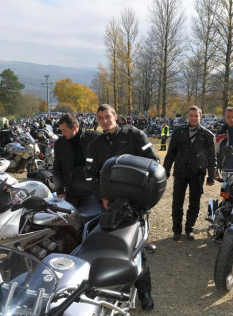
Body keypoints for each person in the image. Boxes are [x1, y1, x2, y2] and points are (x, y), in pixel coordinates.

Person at [86, 104, 158, 311]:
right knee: (111, 244)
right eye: (100, 118)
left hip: (135, 201)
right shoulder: (95, 143)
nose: (104, 121)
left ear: (116, 116)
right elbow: (90, 173)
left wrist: (141, 194)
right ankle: (114, 288)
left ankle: (144, 291)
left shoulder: (135, 135)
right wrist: (102, 197)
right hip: (109, 202)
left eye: (107, 116)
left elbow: (153, 163)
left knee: (136, 248)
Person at [163, 106, 216, 241]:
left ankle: (189, 229)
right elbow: (171, 153)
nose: (193, 118)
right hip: (181, 171)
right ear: (188, 117)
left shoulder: (207, 135)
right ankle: (176, 230)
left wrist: (211, 175)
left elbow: (211, 157)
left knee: (194, 203)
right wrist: (166, 170)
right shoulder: (178, 132)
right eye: (191, 115)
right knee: (177, 202)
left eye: (196, 116)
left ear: (200, 117)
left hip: (198, 174)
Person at [53, 114, 100, 207]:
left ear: (74, 127)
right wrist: (60, 191)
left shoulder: (95, 138)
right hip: (72, 191)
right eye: (61, 130)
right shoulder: (60, 144)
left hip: (94, 190)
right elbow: (57, 168)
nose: (62, 133)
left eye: (64, 130)